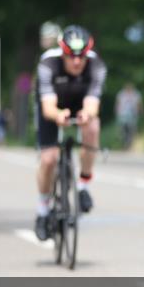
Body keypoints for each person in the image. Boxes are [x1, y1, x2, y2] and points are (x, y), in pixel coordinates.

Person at [33, 25, 107, 241]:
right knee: (49, 160)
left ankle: (83, 185)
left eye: (81, 57)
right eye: (70, 56)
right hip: (52, 105)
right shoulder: (48, 63)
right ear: (62, 52)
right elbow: (48, 108)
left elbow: (92, 104)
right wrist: (58, 115)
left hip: (79, 103)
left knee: (92, 127)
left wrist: (86, 115)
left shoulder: (96, 65)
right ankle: (43, 210)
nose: (76, 62)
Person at [115, 82, 143, 150]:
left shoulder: (136, 94)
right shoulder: (121, 94)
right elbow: (118, 104)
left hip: (133, 115)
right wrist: (117, 111)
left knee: (131, 130)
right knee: (123, 131)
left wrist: (140, 111)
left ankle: (129, 145)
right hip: (123, 115)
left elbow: (139, 104)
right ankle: (124, 144)